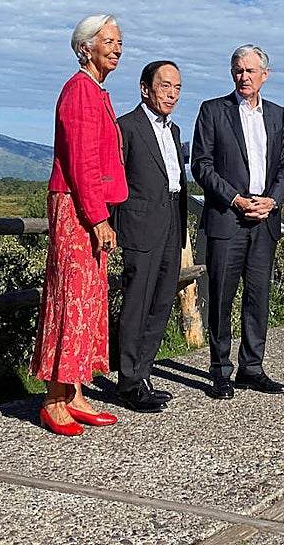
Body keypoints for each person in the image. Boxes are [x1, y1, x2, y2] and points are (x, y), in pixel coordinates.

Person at [30, 14, 128, 436]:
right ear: (85, 47)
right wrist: (98, 217)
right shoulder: (79, 91)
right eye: (108, 41)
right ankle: (54, 400)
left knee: (88, 299)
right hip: (76, 206)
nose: (117, 48)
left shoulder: (95, 90)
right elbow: (81, 162)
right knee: (71, 298)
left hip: (86, 205)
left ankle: (74, 393)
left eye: (119, 42)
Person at [191, 44, 284, 399]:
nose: (243, 76)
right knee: (221, 297)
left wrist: (273, 201)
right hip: (227, 218)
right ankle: (220, 371)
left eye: (250, 71)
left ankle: (252, 368)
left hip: (265, 219)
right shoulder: (212, 110)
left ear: (265, 74)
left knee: (258, 297)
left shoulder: (278, 115)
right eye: (238, 70)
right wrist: (234, 198)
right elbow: (201, 165)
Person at [112, 60, 187, 413]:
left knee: (161, 302)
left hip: (172, 218)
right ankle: (128, 382)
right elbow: (114, 179)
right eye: (165, 86)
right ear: (145, 88)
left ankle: (143, 375)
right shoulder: (126, 126)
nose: (172, 94)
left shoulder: (174, 130)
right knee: (137, 303)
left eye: (177, 88)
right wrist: (110, 225)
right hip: (140, 223)